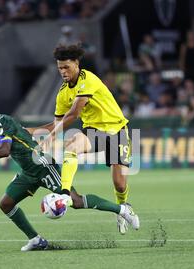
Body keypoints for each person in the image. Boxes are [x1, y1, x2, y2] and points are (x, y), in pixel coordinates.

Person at [0, 102, 139, 251]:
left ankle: (122, 209)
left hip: (43, 166)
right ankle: (36, 240)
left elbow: (4, 151)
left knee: (75, 201)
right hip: (28, 172)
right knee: (5, 203)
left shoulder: (2, 122)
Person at [31, 44, 136, 235]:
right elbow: (58, 123)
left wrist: (51, 136)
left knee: (120, 184)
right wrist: (33, 132)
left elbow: (73, 115)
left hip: (117, 130)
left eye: (66, 67)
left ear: (76, 63)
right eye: (60, 68)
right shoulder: (63, 94)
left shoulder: (88, 79)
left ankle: (123, 209)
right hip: (94, 132)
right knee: (72, 146)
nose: (63, 71)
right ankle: (64, 194)